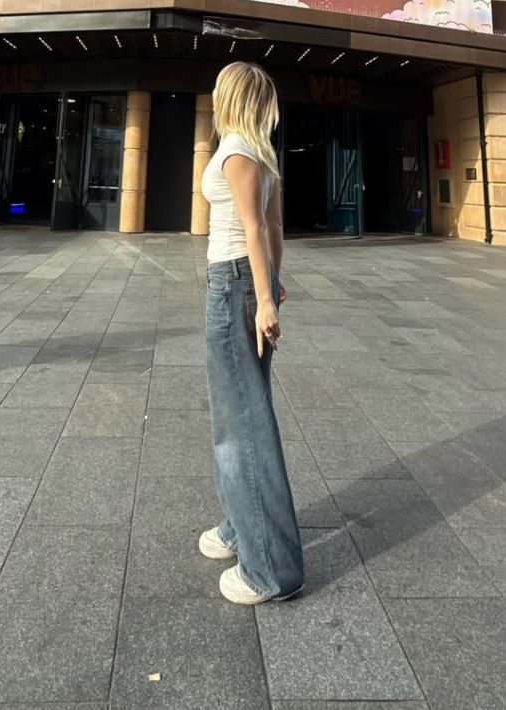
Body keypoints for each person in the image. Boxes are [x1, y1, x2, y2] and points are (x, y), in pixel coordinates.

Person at [199, 61, 304, 605]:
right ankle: (240, 528)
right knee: (238, 414)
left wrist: (265, 298)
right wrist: (272, 284)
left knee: (241, 424)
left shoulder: (238, 149)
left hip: (232, 284)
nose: (212, 98)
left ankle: (270, 569)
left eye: (217, 91)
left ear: (230, 96)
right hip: (243, 282)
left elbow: (257, 226)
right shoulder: (258, 150)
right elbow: (274, 227)